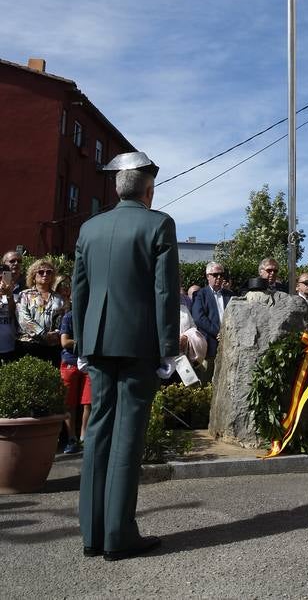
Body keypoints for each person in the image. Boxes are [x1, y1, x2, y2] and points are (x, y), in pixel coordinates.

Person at [72, 151, 179, 561]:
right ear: (148, 190)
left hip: (97, 343)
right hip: (138, 343)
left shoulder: (89, 228)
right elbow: (164, 291)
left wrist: (83, 344)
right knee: (127, 436)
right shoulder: (158, 224)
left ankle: (92, 534)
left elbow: (80, 291)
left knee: (98, 432)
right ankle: (119, 536)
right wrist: (168, 348)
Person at [16, 258, 63, 364]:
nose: (45, 274)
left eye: (49, 272)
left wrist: (55, 333)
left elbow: (61, 319)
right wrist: (43, 334)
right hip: (29, 344)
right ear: (33, 276)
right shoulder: (24, 295)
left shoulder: (58, 298)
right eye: (41, 272)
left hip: (52, 346)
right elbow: (23, 319)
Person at [191, 261, 232, 379]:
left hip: (228, 345)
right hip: (209, 346)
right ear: (208, 276)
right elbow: (199, 318)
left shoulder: (230, 295)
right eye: (215, 275)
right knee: (206, 379)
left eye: (221, 275)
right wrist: (218, 332)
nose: (219, 277)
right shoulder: (200, 294)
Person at [60, 306, 91, 453]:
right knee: (69, 403)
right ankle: (71, 438)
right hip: (70, 362)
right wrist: (85, 342)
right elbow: (64, 342)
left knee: (88, 402)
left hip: (91, 363)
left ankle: (84, 438)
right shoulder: (69, 316)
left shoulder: (94, 314)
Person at [0, 264, 16, 363]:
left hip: (9, 347)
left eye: (4, 277)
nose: (2, 281)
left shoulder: (18, 295)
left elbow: (13, 313)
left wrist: (9, 295)